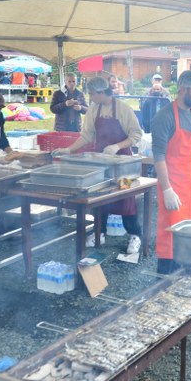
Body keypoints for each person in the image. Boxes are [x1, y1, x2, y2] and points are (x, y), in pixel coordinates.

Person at [54, 77, 144, 254]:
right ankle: (99, 233)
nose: (90, 97)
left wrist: (117, 146)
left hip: (123, 164)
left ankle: (135, 235)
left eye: (92, 94)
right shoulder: (94, 108)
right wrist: (69, 150)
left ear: (102, 92)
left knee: (126, 198)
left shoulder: (123, 109)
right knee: (100, 197)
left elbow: (136, 134)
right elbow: (87, 135)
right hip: (101, 161)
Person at [152, 70, 191, 273]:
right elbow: (158, 156)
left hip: (189, 185)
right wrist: (167, 189)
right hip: (171, 183)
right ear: (183, 89)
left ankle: (183, 278)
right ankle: (163, 281)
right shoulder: (165, 116)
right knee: (170, 235)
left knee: (188, 233)